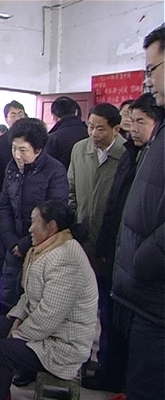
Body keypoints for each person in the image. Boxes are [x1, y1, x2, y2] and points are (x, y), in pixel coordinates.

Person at [82, 93, 164, 393]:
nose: (134, 127)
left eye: (141, 121)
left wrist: (141, 258)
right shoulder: (134, 154)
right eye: (132, 119)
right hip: (118, 251)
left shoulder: (148, 156)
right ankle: (110, 371)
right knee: (109, 316)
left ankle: (117, 375)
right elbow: (115, 206)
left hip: (142, 265)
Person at [0, 200, 98, 400]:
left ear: (51, 226)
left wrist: (17, 334)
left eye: (34, 222)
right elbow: (28, 296)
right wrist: (17, 320)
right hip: (44, 332)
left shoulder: (66, 257)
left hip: (62, 344)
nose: (30, 228)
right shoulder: (47, 248)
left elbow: (49, 315)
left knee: (2, 351)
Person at [112, 23, 165, 400]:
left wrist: (144, 260)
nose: (148, 80)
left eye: (152, 69)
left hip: (156, 293)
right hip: (147, 295)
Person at [67, 103, 126, 378]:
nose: (94, 133)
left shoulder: (126, 154)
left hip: (109, 245)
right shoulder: (80, 150)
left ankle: (105, 365)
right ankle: (75, 361)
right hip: (81, 240)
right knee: (78, 305)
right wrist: (74, 221)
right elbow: (70, 190)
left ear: (116, 128)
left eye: (100, 128)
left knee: (106, 307)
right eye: (90, 127)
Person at [0, 118, 68, 317]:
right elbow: (5, 205)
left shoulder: (55, 171)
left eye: (23, 150)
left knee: (33, 301)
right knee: (7, 297)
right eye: (14, 148)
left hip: (41, 248)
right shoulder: (12, 168)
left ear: (38, 150)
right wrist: (10, 240)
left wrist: (25, 244)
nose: (17, 155)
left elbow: (54, 215)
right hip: (13, 246)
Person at [0, 100, 27, 288]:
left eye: (21, 113)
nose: (18, 117)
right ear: (6, 118)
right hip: (6, 205)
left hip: (27, 204)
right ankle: (5, 289)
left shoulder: (32, 140)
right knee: (5, 250)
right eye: (13, 114)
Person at [45, 96, 88, 169]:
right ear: (75, 112)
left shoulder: (53, 138)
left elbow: (48, 167)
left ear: (54, 116)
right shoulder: (89, 132)